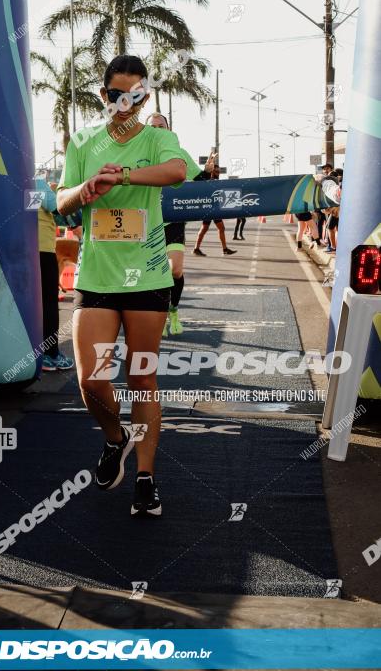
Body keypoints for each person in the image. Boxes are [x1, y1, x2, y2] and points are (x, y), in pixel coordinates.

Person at [57, 55, 187, 518]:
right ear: (103, 94)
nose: (124, 102)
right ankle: (115, 440)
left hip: (148, 275)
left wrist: (124, 176)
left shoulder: (157, 136)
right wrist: (87, 188)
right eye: (116, 94)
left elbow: (177, 171)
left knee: (141, 379)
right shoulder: (85, 140)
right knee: (91, 381)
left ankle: (147, 479)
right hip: (97, 276)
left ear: (145, 96)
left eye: (134, 94)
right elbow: (61, 199)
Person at [146, 112, 186, 336]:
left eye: (162, 126)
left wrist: (208, 172)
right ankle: (160, 316)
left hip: (174, 222)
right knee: (153, 274)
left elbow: (200, 182)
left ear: (169, 130)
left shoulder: (179, 153)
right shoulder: (138, 152)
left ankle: (174, 311)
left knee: (175, 270)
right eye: (153, 126)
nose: (158, 129)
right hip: (147, 222)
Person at [37, 177, 74, 372]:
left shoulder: (7, 182)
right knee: (48, 303)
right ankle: (50, 354)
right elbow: (60, 210)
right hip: (42, 252)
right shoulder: (37, 183)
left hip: (17, 252)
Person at [192, 160, 236, 256]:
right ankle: (197, 248)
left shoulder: (216, 182)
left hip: (214, 208)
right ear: (212, 172)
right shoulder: (208, 181)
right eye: (216, 172)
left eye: (219, 172)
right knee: (207, 228)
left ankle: (223, 249)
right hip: (209, 208)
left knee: (214, 228)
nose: (218, 173)